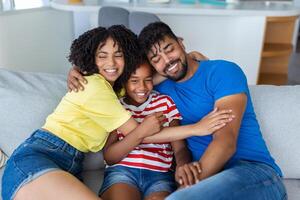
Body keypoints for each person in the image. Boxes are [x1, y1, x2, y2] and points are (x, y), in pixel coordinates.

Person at [1, 25, 231, 200]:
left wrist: (188, 58)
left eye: (118, 54)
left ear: (128, 57)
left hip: (68, 166)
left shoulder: (115, 89)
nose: (111, 62)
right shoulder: (95, 87)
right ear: (91, 58)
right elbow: (143, 134)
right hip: (39, 157)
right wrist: (198, 128)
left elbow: (149, 79)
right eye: (102, 55)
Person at [68, 22, 287, 199]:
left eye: (169, 49)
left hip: (251, 171)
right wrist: (78, 69)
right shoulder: (158, 89)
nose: (167, 61)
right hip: (207, 176)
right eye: (156, 59)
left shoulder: (223, 71)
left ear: (180, 43)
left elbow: (225, 143)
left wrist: (187, 187)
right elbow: (123, 78)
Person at [99, 59, 234, 200]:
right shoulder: (117, 107)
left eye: (148, 80)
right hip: (122, 172)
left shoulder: (165, 103)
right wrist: (142, 131)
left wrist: (182, 165)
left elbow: (180, 148)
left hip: (159, 176)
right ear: (123, 82)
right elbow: (110, 157)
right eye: (134, 81)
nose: (142, 87)